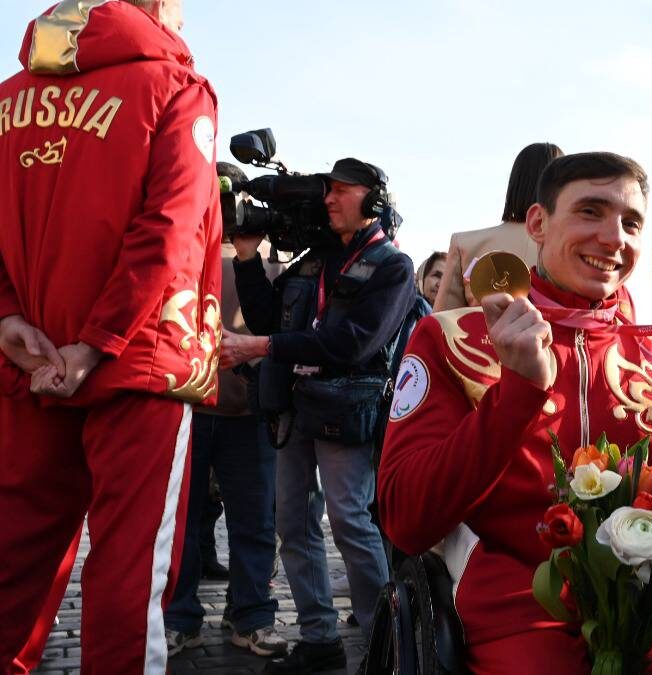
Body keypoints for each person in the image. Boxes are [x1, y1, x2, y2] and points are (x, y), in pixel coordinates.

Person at [377, 152, 652, 674]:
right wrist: (517, 395)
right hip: (512, 604)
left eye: (631, 223)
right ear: (537, 222)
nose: (613, 237)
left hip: (646, 610)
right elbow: (406, 520)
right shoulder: (451, 339)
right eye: (590, 211)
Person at [0, 1, 222, 672]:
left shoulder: (10, 99)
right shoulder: (179, 88)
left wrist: (7, 317)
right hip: (140, 362)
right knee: (131, 577)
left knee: (13, 562)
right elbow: (171, 226)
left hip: (27, 354)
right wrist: (97, 341)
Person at [223, 158, 417, 673]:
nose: (329, 200)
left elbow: (352, 343)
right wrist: (247, 257)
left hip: (343, 409)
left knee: (350, 521)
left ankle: (385, 643)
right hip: (295, 406)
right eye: (326, 191)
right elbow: (267, 315)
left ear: (371, 200)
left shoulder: (393, 266)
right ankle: (319, 637)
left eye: (341, 191)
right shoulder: (315, 258)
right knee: (292, 521)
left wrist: (259, 347)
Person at [163, 163, 287, 659]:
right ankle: (180, 617)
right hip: (187, 408)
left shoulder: (265, 257)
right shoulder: (176, 250)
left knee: (255, 521)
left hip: (249, 411)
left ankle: (252, 616)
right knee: (183, 522)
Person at [435, 142, 563, 311]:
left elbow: (441, 322)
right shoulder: (570, 251)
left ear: (515, 183)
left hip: (475, 337)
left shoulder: (465, 244)